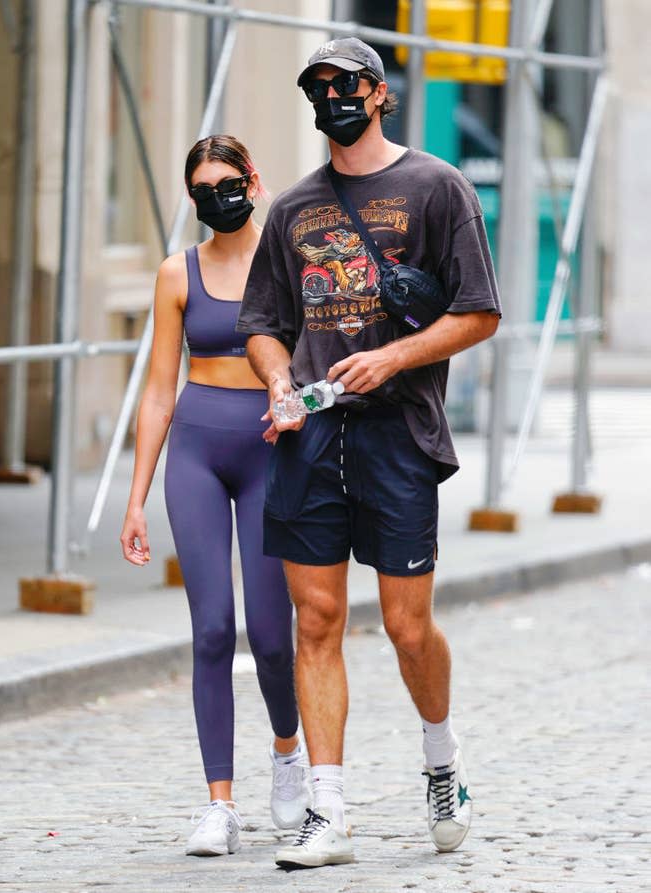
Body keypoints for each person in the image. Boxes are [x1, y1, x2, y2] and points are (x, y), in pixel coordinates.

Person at [237, 39, 501, 869]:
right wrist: (281, 382)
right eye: (317, 88)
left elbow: (480, 312)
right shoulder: (292, 209)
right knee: (315, 620)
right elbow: (262, 325)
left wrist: (392, 355)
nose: (332, 98)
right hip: (312, 435)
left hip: (399, 432)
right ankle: (329, 810)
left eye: (345, 85)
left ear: (378, 93)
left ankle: (442, 759)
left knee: (404, 625)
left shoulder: (435, 186)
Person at [120, 135, 311, 858]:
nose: (216, 198)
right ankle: (219, 803)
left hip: (270, 456)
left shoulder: (290, 262)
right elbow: (158, 393)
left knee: (269, 637)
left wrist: (296, 404)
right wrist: (135, 500)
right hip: (197, 451)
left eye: (226, 183)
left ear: (253, 180)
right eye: (202, 189)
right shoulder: (178, 273)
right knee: (209, 631)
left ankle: (288, 751)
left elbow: (314, 361)